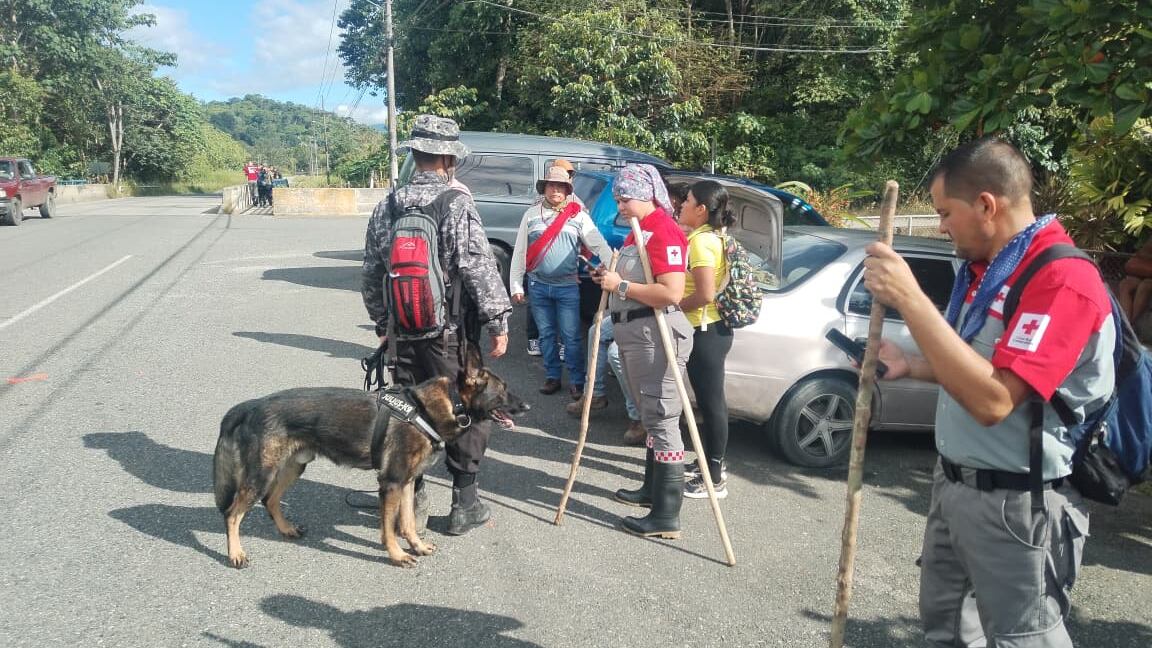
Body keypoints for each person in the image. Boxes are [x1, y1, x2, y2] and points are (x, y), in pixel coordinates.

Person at [862, 138, 1113, 647]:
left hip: (1019, 502)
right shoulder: (989, 273)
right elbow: (978, 369)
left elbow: (994, 400)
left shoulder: (1062, 279)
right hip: (955, 487)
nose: (941, 227)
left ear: (986, 205)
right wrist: (910, 364)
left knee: (1024, 639)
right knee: (946, 629)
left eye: (944, 213)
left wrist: (909, 297)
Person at [362, 114, 511, 536]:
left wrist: (381, 322)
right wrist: (498, 321)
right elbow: (479, 265)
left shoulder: (388, 204)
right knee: (462, 409)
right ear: (449, 159)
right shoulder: (456, 202)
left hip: (403, 332)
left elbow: (372, 270)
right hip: (448, 334)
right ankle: (465, 502)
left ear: (414, 155)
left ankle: (416, 496)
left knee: (410, 409)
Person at [592, 163, 693, 538]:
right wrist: (609, 279)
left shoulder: (664, 230)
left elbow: (671, 292)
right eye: (616, 196)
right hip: (637, 333)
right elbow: (630, 280)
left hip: (657, 334)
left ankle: (666, 514)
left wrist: (620, 287)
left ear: (646, 195)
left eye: (624, 197)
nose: (618, 204)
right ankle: (651, 490)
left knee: (663, 417)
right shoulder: (640, 230)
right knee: (651, 415)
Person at [510, 165, 611, 398]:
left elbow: (597, 244)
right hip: (538, 285)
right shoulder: (531, 215)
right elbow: (520, 252)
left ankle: (577, 381)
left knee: (571, 336)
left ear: (567, 190)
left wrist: (612, 265)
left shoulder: (578, 215)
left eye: (560, 186)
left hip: (567, 287)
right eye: (551, 185)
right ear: (544, 188)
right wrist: (516, 285)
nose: (555, 189)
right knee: (545, 334)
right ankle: (553, 376)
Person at [676, 180, 735, 499]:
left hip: (706, 330)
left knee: (712, 405)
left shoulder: (701, 243)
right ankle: (710, 463)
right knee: (710, 402)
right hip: (710, 329)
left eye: (687, 201)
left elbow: (704, 294)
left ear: (701, 209)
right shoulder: (710, 236)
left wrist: (673, 306)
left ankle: (714, 477)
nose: (682, 205)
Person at [564, 317, 645, 445]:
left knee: (615, 353)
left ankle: (640, 415)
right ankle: (594, 394)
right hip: (629, 312)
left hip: (648, 317)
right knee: (596, 331)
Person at [1117, 236, 1152, 342]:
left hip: (1147, 281)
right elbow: (1137, 258)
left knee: (1145, 285)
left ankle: (1131, 325)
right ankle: (1125, 324)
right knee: (1125, 284)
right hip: (1144, 275)